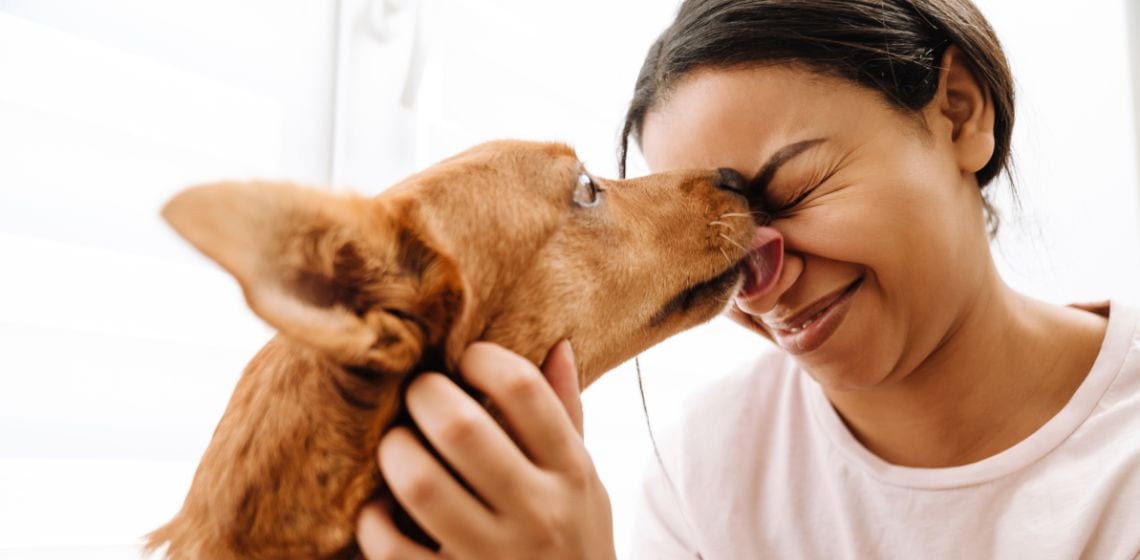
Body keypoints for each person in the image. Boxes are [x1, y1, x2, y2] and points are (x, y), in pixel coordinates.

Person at [355, 0, 1140, 558]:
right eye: (721, 252)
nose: (759, 287)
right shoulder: (708, 466)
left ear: (961, 114)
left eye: (795, 190)